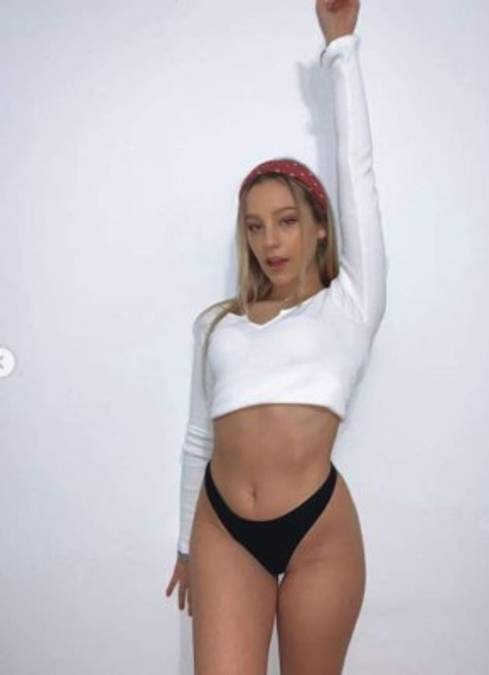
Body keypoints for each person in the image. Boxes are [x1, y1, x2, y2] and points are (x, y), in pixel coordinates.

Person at [165, 1, 388, 672]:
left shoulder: (349, 305)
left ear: (319, 226)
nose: (271, 241)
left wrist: (341, 49)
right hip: (222, 530)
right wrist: (185, 544)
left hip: (318, 532)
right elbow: (199, 438)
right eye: (255, 226)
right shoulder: (218, 325)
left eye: (287, 220)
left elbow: (358, 173)